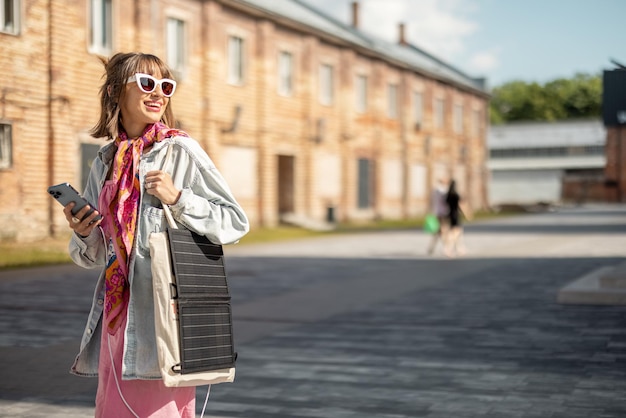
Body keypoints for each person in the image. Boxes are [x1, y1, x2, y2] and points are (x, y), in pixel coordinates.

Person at [61, 52, 249, 417]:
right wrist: (84, 233)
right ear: (117, 91)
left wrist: (179, 198)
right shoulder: (105, 161)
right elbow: (99, 255)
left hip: (163, 316)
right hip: (118, 315)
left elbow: (234, 221)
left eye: (166, 86)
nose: (158, 94)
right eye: (147, 84)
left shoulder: (179, 150)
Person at [444, 179, 470, 257]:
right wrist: (466, 214)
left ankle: (460, 249)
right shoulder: (456, 195)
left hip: (450, 214)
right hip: (456, 215)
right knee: (455, 233)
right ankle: (449, 249)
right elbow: (460, 206)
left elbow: (446, 204)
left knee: (458, 233)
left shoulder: (448, 194)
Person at [426, 177, 449, 255]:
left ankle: (432, 248)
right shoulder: (444, 191)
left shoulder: (434, 191)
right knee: (443, 231)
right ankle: (446, 247)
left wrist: (430, 211)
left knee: (437, 232)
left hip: (436, 213)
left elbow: (431, 202)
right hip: (443, 213)